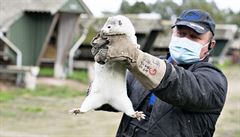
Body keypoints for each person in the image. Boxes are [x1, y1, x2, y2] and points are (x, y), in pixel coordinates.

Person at [91, 9, 228, 137]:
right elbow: (111, 98)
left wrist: (135, 57)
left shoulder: (213, 80)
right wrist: (106, 73)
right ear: (172, 34)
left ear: (211, 45)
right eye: (181, 33)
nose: (185, 40)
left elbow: (177, 84)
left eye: (194, 37)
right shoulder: (146, 65)